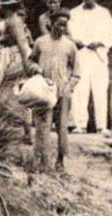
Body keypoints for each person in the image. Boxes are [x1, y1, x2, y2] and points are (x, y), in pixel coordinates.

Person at [28, 10, 79, 170]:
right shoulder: (40, 42)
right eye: (59, 24)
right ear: (50, 24)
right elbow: (30, 61)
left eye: (65, 25)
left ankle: (60, 160)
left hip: (62, 91)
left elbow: (77, 71)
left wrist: (69, 87)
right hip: (44, 90)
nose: (62, 28)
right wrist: (35, 68)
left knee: (62, 127)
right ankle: (40, 161)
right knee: (42, 126)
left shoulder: (70, 45)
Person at [68, 0, 112, 134]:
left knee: (100, 90)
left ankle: (101, 126)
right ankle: (80, 125)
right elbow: (72, 32)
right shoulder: (74, 13)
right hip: (82, 54)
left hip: (99, 55)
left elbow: (110, 35)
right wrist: (80, 41)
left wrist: (100, 42)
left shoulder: (104, 12)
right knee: (80, 89)